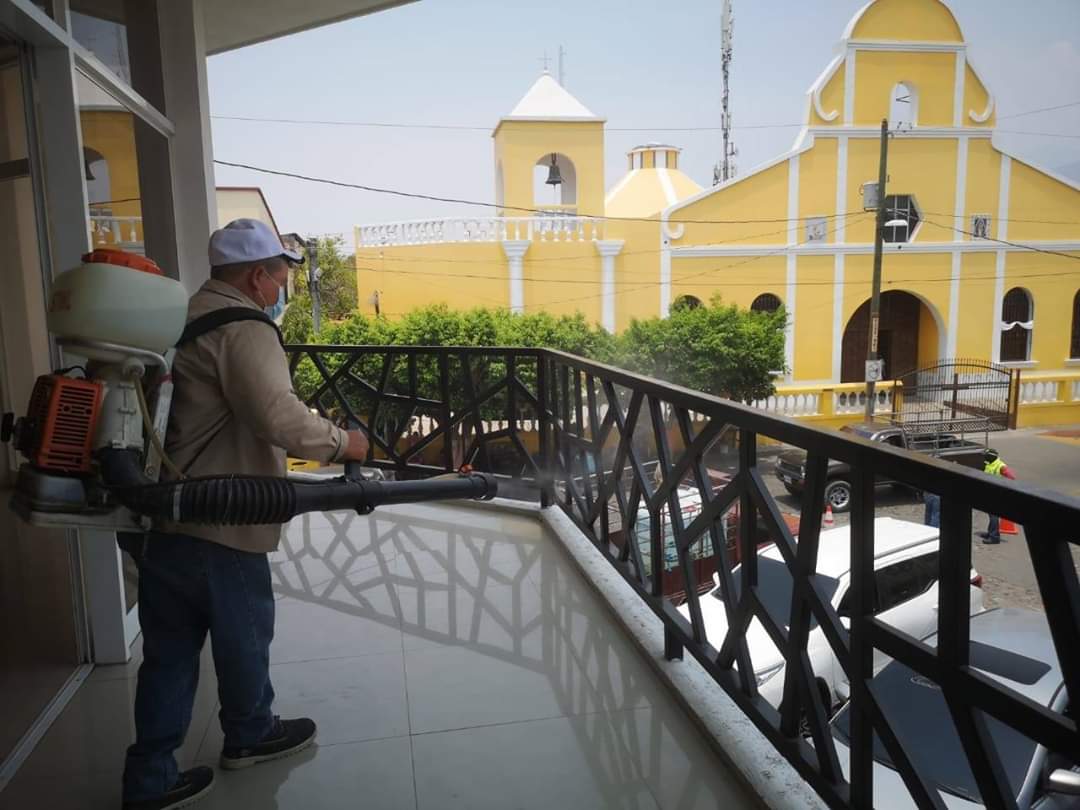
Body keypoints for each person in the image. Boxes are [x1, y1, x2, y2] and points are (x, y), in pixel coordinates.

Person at [120, 219, 369, 810]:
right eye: (281, 274)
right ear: (258, 275)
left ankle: (149, 779)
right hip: (222, 516)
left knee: (168, 655)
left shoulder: (181, 318)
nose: (282, 286)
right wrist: (344, 444)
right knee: (244, 636)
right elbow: (278, 418)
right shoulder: (244, 328)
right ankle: (252, 735)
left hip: (166, 512)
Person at [979, 448, 1015, 545]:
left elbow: (1011, 477)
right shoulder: (990, 464)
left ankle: (994, 537)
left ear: (990, 457)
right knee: (991, 515)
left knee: (994, 516)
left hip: (996, 494)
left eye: (986, 456)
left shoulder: (1001, 466)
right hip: (990, 493)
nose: (984, 457)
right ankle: (990, 533)